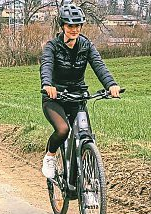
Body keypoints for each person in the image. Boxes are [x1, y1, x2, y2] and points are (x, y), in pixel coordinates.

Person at [40, 1, 121, 179]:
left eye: (77, 25)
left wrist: (111, 84)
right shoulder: (52, 47)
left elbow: (100, 66)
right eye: (70, 25)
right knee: (63, 130)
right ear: (63, 26)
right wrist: (47, 86)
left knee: (86, 136)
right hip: (55, 98)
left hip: (77, 97)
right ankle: (50, 156)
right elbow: (46, 66)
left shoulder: (86, 45)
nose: (74, 29)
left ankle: (87, 183)